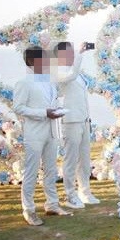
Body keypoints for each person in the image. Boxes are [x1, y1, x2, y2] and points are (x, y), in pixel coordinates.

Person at [13, 47, 70, 226]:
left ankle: (52, 204)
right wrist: (44, 112)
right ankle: (28, 210)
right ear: (32, 61)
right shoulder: (24, 83)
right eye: (44, 58)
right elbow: (18, 108)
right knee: (31, 171)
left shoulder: (49, 80)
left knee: (51, 169)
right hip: (35, 133)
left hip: (52, 131)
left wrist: (57, 110)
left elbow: (53, 101)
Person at [54, 41, 100, 208]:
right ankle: (70, 195)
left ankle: (85, 192)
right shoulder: (58, 72)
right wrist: (80, 54)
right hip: (70, 121)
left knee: (85, 160)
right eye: (69, 52)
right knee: (70, 160)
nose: (72, 54)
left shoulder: (76, 72)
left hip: (83, 120)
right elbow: (70, 76)